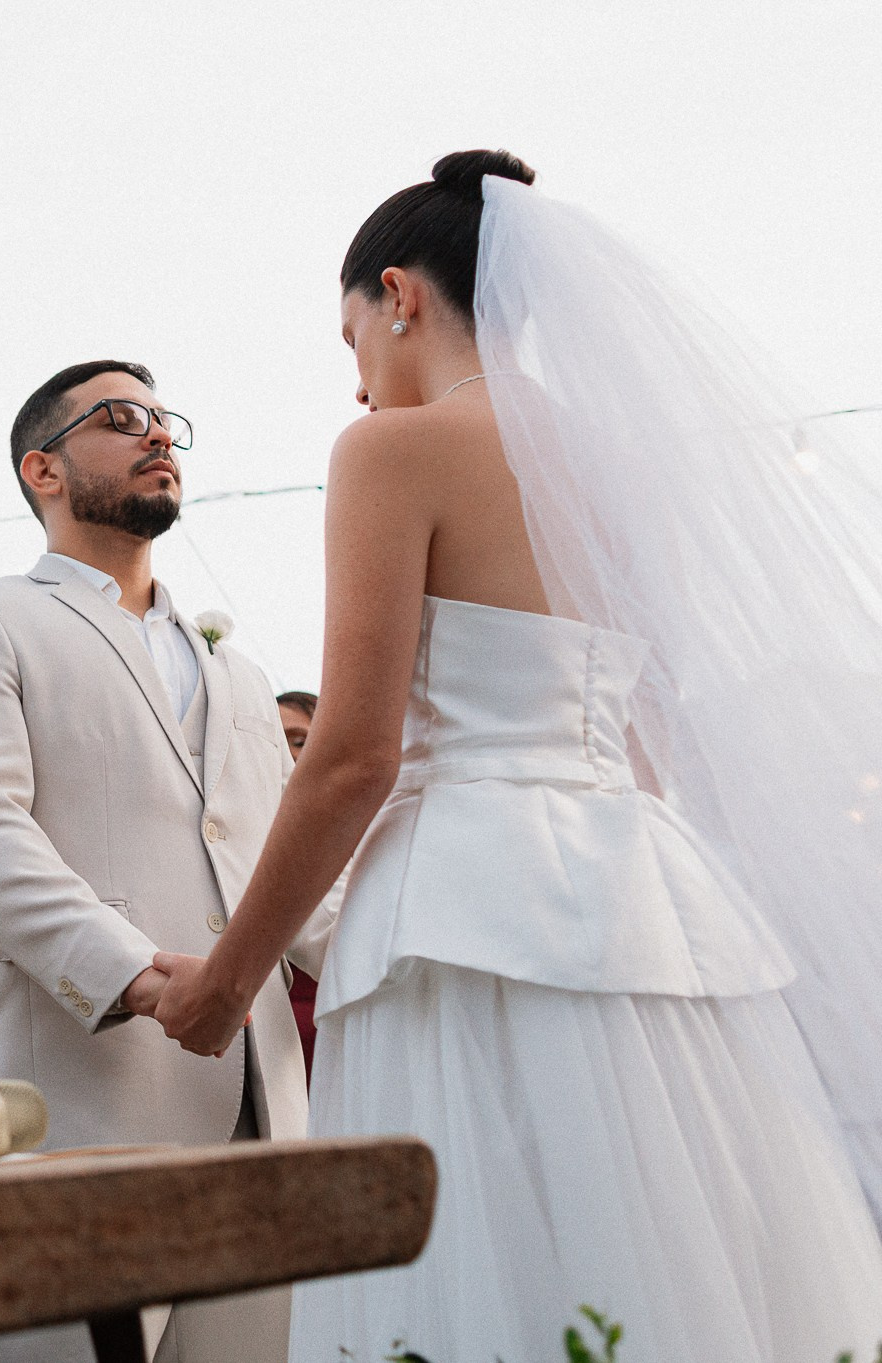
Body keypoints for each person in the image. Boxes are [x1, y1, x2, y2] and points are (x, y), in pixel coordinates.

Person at [146, 151, 882, 1360]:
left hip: (461, 912)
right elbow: (651, 731)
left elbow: (351, 755)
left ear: (398, 294)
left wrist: (229, 978)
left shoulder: (389, 450)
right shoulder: (622, 461)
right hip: (641, 898)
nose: (358, 380)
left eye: (349, 339)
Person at [0, 359, 336, 1363]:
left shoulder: (239, 671)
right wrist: (134, 976)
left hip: (263, 1122)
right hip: (77, 1110)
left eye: (165, 420)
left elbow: (285, 873)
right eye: (121, 417)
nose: (157, 435)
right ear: (40, 469)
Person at [274, 692, 321, 1074]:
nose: (286, 756)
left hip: (330, 1024)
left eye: (300, 741)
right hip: (269, 1036)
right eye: (275, 743)